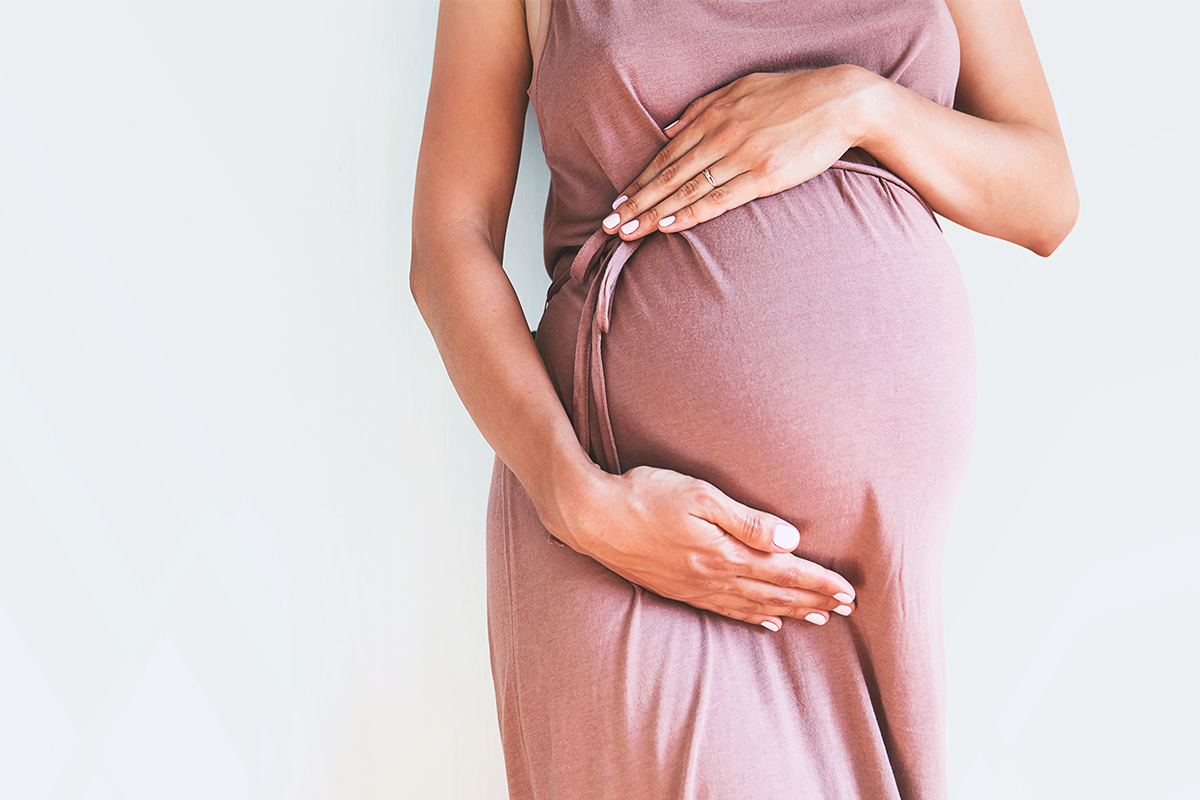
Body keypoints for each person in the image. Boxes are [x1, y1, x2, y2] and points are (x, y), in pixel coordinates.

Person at [410, 0, 1076, 797]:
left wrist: (858, 105)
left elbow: (1046, 197)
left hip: (874, 581)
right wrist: (575, 499)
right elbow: (448, 240)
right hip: (633, 532)